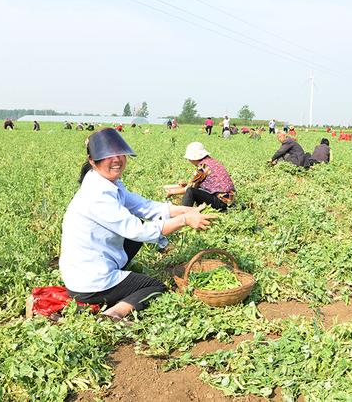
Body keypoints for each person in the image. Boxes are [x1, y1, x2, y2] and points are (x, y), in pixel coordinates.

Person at [60, 128, 217, 321]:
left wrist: (186, 210)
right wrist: (184, 220)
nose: (117, 160)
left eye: (120, 154)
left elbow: (145, 206)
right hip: (90, 282)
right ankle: (113, 313)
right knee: (155, 287)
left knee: (134, 237)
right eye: (109, 156)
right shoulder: (97, 195)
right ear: (92, 161)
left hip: (84, 267)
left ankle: (117, 284)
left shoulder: (107, 183)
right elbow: (139, 231)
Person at [165, 142, 235, 212]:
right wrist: (187, 184)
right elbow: (199, 185)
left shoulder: (203, 167)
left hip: (222, 201)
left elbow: (190, 188)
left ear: (193, 158)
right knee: (194, 190)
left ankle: (183, 215)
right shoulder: (212, 161)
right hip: (228, 199)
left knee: (190, 192)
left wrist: (172, 192)